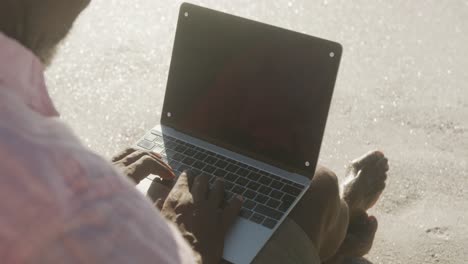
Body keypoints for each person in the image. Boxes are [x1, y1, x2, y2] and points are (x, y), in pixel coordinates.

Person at [0, 1, 389, 263]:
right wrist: (186, 239)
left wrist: (87, 184)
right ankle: (342, 220)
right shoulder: (108, 216)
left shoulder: (46, 162)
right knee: (317, 186)